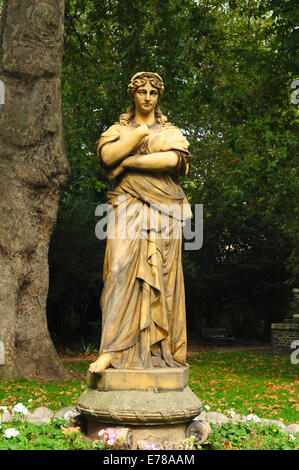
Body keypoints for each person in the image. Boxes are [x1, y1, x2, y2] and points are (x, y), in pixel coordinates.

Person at [89, 72, 192, 374]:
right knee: (118, 269)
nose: (147, 97)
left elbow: (174, 161)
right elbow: (108, 156)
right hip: (126, 205)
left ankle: (158, 351)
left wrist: (130, 162)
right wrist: (138, 135)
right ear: (132, 94)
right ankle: (111, 350)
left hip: (164, 208)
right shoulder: (118, 130)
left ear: (159, 97)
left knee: (162, 277)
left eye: (153, 92)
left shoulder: (172, 131)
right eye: (142, 91)